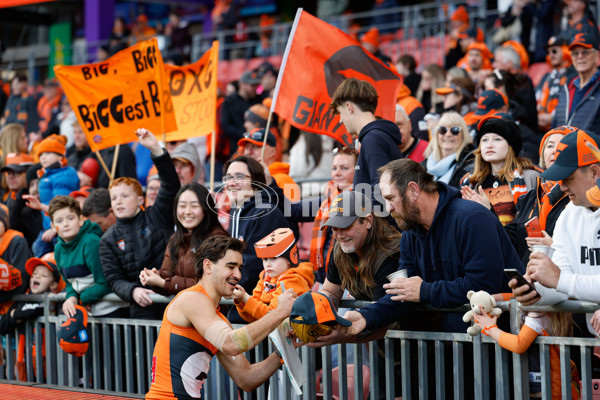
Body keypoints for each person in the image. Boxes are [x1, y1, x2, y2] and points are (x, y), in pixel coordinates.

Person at [342, 159, 524, 334]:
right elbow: (404, 293)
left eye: (391, 198)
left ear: (413, 190)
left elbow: (482, 285)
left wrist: (424, 291)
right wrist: (364, 317)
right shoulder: (410, 234)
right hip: (458, 348)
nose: (388, 208)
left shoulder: (472, 218)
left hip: (505, 345)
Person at [145, 235, 297, 400]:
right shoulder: (193, 298)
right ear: (208, 266)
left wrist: (282, 352)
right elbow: (231, 344)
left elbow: (246, 378)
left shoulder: (218, 319)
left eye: (240, 268)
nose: (238, 274)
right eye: (231, 267)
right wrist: (280, 311)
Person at [512, 129, 600, 337]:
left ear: (595, 172)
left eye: (567, 178)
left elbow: (562, 279)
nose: (561, 186)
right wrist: (535, 293)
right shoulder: (569, 215)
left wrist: (559, 279)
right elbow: (559, 283)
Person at [100, 128, 181, 319]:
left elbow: (170, 185)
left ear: (140, 200)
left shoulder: (157, 215)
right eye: (114, 198)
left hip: (174, 305)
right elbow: (114, 279)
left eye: (124, 196)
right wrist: (133, 291)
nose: (118, 201)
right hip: (141, 311)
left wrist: (156, 150)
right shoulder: (108, 239)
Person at [470, 297, 580, 399]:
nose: (526, 277)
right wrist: (489, 298)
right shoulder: (548, 304)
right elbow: (513, 296)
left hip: (547, 390)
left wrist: (490, 328)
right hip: (546, 387)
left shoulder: (538, 313)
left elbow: (519, 344)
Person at [223, 156, 291, 307]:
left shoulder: (265, 213)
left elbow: (255, 268)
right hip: (241, 303)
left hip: (261, 308)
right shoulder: (237, 212)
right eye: (228, 177)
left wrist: (221, 284)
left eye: (239, 177)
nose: (232, 182)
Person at [139, 183, 228, 295]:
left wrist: (164, 283)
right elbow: (167, 281)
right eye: (182, 206)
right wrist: (155, 278)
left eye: (194, 206)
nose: (187, 212)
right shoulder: (176, 238)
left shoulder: (217, 240)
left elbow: (210, 284)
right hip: (182, 310)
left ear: (206, 208)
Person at [504, 126, 575, 266]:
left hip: (565, 281)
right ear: (542, 155)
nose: (555, 150)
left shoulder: (581, 197)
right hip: (530, 279)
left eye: (562, 145)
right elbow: (510, 240)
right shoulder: (530, 197)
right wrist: (487, 211)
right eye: (550, 146)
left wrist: (553, 246)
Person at [50, 195, 126, 319]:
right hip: (89, 312)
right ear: (53, 226)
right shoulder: (58, 249)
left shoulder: (91, 242)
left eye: (70, 218)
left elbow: (105, 282)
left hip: (111, 310)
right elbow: (70, 283)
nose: (65, 224)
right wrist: (71, 298)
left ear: (80, 220)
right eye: (59, 221)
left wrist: (80, 299)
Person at [329, 77, 403, 206]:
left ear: (349, 107)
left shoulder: (372, 139)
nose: (340, 120)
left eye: (340, 113)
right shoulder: (374, 137)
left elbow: (381, 191)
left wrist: (362, 221)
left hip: (378, 224)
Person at [461, 114, 539, 226]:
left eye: (497, 139)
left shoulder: (530, 178)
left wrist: (488, 210)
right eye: (484, 140)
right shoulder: (471, 183)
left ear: (511, 145)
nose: (489, 145)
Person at [0, 255, 61, 381]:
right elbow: (3, 325)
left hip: (48, 365)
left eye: (44, 276)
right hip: (25, 363)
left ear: (54, 284)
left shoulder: (53, 301)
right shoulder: (21, 300)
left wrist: (16, 315)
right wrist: (16, 315)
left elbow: (34, 311)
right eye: (34, 274)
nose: (37, 277)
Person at [232, 228, 313, 322]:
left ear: (290, 258)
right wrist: (241, 301)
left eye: (273, 258)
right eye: (265, 259)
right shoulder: (265, 277)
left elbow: (272, 317)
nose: (268, 264)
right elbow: (253, 317)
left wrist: (245, 298)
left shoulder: (293, 280)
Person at [25, 134, 80, 257]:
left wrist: (56, 229)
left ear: (60, 155)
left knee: (60, 254)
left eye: (48, 153)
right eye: (41, 155)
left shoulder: (65, 174)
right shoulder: (46, 175)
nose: (43, 158)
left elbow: (63, 205)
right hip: (49, 226)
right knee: (37, 248)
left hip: (62, 227)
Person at [552, 32, 600, 135]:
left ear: (597, 55)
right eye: (575, 53)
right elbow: (555, 126)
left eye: (585, 52)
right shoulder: (566, 87)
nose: (580, 57)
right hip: (561, 149)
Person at [237, 128, 300, 201]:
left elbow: (291, 211)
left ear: (272, 152)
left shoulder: (283, 180)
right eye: (247, 147)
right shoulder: (244, 179)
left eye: (256, 146)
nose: (249, 152)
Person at [422, 111, 474, 188]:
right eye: (443, 130)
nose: (448, 134)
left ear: (463, 134)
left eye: (455, 130)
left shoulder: (470, 165)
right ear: (437, 134)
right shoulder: (424, 165)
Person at [0, 153, 42, 247]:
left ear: (29, 172)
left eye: (17, 172)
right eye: (8, 173)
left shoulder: (38, 200)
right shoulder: (8, 200)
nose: (11, 176)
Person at [536, 36, 576, 131]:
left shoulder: (574, 75)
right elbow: (536, 97)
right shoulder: (546, 76)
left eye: (554, 51)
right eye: (548, 52)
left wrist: (554, 118)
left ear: (565, 50)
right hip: (540, 127)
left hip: (561, 128)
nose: (551, 55)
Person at [221, 71, 262, 157]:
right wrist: (245, 134)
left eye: (256, 85)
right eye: (252, 85)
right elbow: (225, 125)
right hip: (236, 146)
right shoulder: (229, 101)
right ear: (242, 84)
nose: (255, 88)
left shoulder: (259, 100)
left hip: (256, 147)